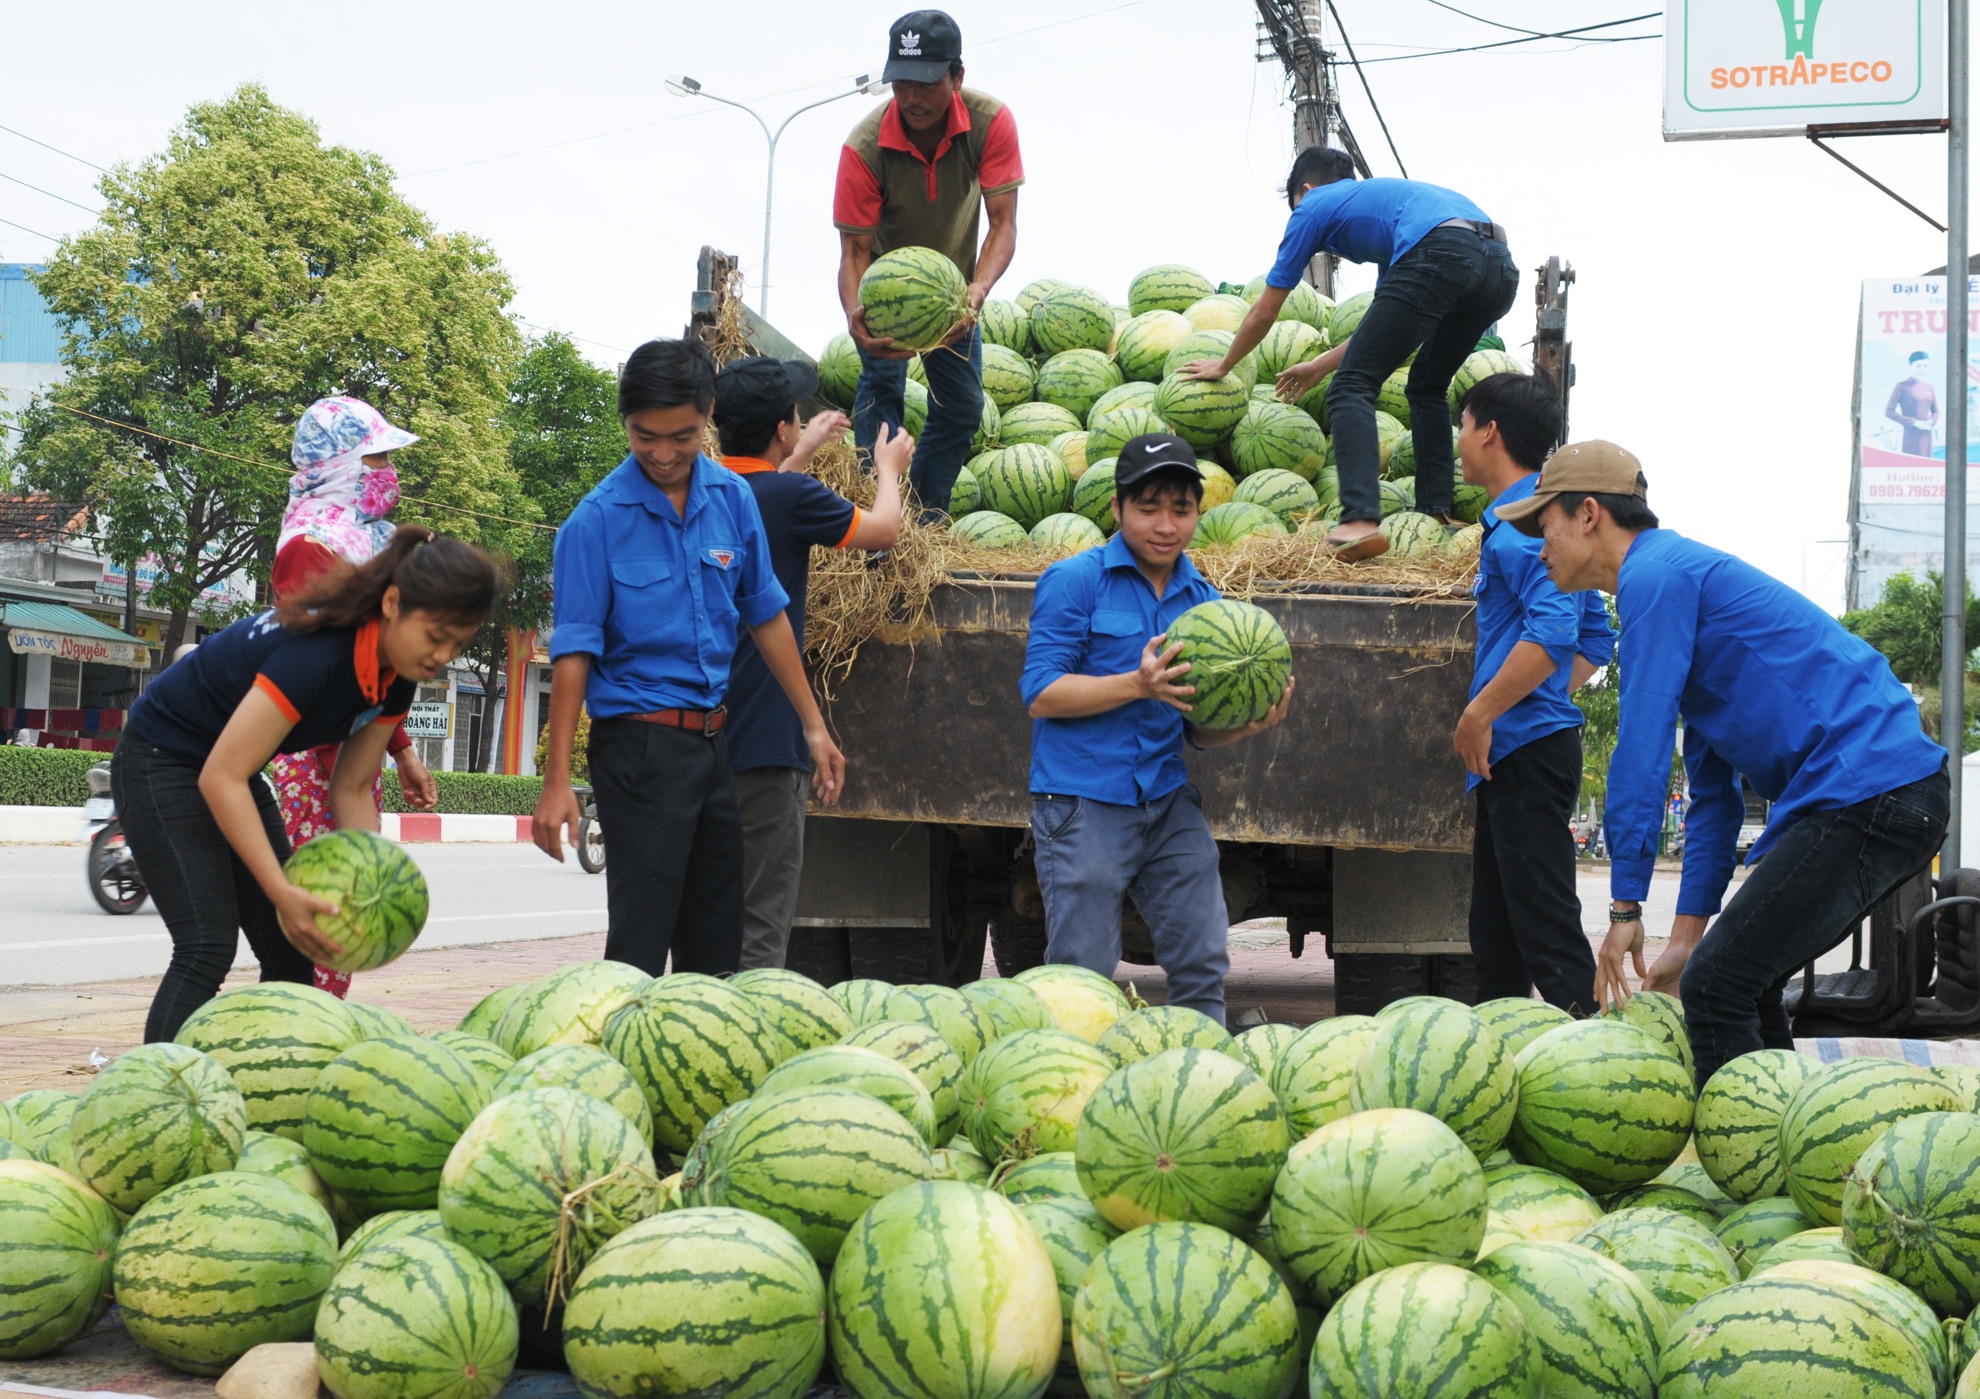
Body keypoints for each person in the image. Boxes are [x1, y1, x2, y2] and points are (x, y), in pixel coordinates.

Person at [1497, 441, 1950, 1089]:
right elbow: (1712, 800)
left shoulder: (1655, 579)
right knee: (1740, 978)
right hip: (1879, 791)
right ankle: (1789, 1138)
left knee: (1718, 986)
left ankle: (1751, 1152)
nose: (1541, 550)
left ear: (1589, 513)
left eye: (1545, 528)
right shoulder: (1672, 583)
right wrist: (1685, 935)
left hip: (1873, 788)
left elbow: (1642, 747)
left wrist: (1625, 906)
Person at [532, 339, 847, 979]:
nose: (664, 453)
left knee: (717, 942)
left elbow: (766, 615)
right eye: (645, 437)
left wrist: (813, 724)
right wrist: (556, 779)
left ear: (708, 416)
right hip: (638, 751)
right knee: (641, 944)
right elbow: (572, 656)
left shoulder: (733, 500)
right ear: (625, 423)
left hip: (714, 747)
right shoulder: (594, 523)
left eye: (682, 435)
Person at [115, 529, 500, 1042]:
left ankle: (266, 1088)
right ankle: (153, 1098)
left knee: (290, 955)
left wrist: (370, 886)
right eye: (435, 635)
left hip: (225, 766)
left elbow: (354, 786)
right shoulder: (315, 654)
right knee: (206, 946)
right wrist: (280, 889)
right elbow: (222, 776)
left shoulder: (399, 674)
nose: (443, 655)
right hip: (160, 758)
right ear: (392, 604)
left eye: (458, 643)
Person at [1020, 434, 1295, 1026]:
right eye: (1148, 508)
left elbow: (1197, 730)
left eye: (1181, 509)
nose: (1166, 525)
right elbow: (1040, 694)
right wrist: (1136, 684)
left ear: (1199, 512)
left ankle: (1200, 1082)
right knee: (1082, 975)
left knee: (1202, 960)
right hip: (1082, 802)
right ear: (1117, 509)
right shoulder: (1075, 580)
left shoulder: (1204, 601)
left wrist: (1246, 725)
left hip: (1167, 802)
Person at [1183, 147, 1517, 561]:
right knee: (1427, 386)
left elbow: (1265, 310)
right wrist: (1318, 366)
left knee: (1351, 388)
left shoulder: (1312, 207)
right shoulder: (1396, 217)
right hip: (1498, 267)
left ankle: (1359, 520)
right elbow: (1380, 327)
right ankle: (1437, 513)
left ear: (1305, 190)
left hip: (1443, 254)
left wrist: (1224, 363)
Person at [709, 355, 909, 969]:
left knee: (709, 913)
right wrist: (887, 468)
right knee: (762, 925)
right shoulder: (791, 496)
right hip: (769, 734)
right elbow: (884, 531)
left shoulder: (707, 491)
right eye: (796, 414)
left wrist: (805, 451)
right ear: (780, 428)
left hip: (701, 736)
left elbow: (764, 497)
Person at [1450, 374, 1615, 1014]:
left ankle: (1602, 1055)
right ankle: (1503, 1054)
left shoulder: (1524, 524)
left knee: (1543, 931)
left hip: (1523, 749)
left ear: (1489, 432)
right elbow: (1594, 638)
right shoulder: (1540, 520)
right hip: (1529, 744)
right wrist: (1539, 699)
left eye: (1462, 425)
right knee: (1498, 936)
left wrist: (1484, 711)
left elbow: (1554, 631)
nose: (1458, 440)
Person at [268, 396, 441, 1000]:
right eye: (377, 458)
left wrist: (401, 751)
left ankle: (317, 1030)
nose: (388, 472)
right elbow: (325, 669)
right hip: (312, 749)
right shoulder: (310, 547)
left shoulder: (370, 541)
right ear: (339, 464)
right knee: (325, 915)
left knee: (347, 915)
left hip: (350, 752)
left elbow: (381, 668)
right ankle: (300, 1033)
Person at [834, 8, 1022, 515]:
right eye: (901, 83)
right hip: (883, 291)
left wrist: (976, 291)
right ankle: (878, 514)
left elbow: (1003, 224)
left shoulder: (990, 122)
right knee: (881, 393)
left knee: (962, 408)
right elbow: (853, 252)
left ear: (956, 76)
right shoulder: (863, 147)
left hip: (954, 292)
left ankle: (922, 513)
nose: (912, 97)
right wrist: (856, 315)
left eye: (926, 82)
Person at [1885, 350, 1939, 457]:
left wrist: (1931, 421)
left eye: (1925, 366)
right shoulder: (1902, 386)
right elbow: (1889, 411)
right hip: (1911, 433)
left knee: (1928, 466)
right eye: (1918, 365)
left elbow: (1936, 411)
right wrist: (1914, 422)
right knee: (1912, 466)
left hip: (1927, 433)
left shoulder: (1929, 388)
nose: (1922, 369)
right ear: (1911, 366)